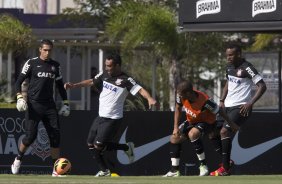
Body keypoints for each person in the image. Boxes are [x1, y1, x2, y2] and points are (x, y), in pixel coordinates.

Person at [64, 53, 157, 177]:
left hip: (113, 118)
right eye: (106, 65)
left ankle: (105, 171)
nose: (107, 68)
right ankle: (125, 148)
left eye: (110, 66)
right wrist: (75, 85)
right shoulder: (104, 74)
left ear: (117, 65)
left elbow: (140, 89)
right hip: (101, 116)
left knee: (98, 146)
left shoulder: (126, 80)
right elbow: (92, 81)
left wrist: (150, 98)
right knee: (90, 143)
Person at [12, 39, 70, 177]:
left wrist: (66, 102)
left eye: (50, 50)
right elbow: (18, 82)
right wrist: (19, 97)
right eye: (45, 50)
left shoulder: (55, 65)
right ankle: (18, 159)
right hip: (34, 105)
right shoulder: (31, 63)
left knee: (55, 137)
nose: (47, 52)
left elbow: (60, 86)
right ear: (40, 49)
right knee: (30, 137)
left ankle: (56, 170)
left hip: (50, 106)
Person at [210, 44, 267, 176]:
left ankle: (225, 168)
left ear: (239, 54)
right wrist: (222, 101)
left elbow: (262, 86)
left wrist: (250, 103)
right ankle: (227, 162)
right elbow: (228, 84)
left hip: (241, 107)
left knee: (224, 131)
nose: (228, 57)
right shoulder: (229, 67)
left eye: (231, 55)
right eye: (227, 55)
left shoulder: (247, 67)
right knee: (212, 133)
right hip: (227, 106)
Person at [163, 80, 238, 177]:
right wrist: (175, 127)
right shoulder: (181, 97)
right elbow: (177, 108)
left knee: (192, 134)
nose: (179, 96)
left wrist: (231, 123)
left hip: (207, 122)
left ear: (188, 93)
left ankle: (203, 167)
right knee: (174, 138)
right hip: (192, 121)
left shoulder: (205, 101)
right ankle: (174, 171)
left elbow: (220, 111)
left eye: (181, 94)